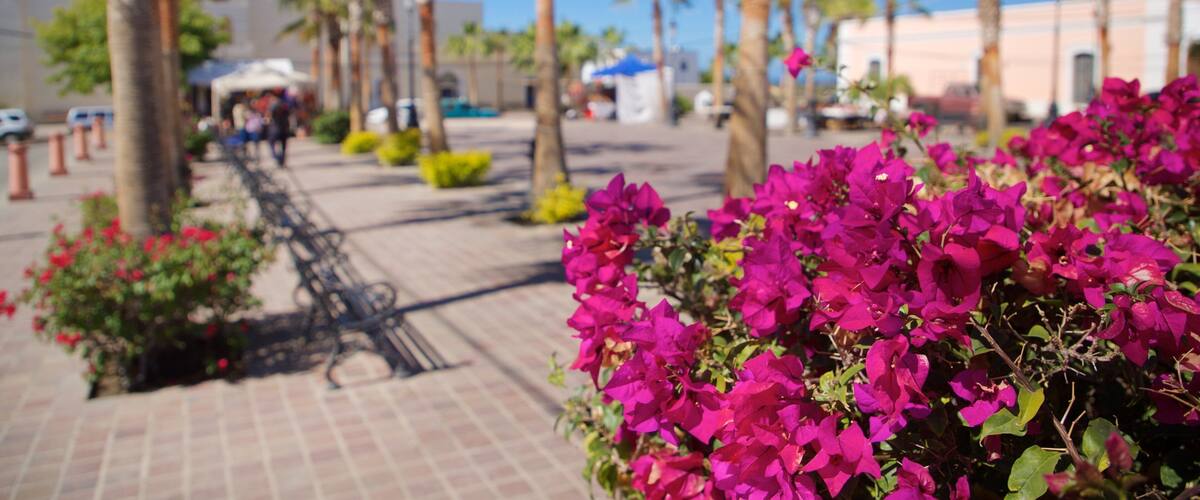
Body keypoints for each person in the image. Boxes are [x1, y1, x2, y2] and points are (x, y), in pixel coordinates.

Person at [266, 92, 292, 168]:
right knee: (283, 147)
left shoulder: (272, 106)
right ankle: (282, 160)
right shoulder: (284, 106)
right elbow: (289, 115)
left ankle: (277, 157)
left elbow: (268, 117)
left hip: (275, 129)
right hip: (284, 129)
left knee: (271, 144)